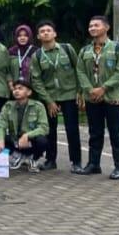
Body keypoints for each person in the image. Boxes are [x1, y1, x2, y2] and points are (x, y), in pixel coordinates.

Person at [75, 16, 119, 180]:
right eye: (90, 26)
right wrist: (89, 89)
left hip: (113, 97)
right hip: (93, 98)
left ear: (106, 28)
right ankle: (93, 164)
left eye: (96, 25)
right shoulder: (85, 51)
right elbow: (80, 71)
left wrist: (103, 88)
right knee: (95, 132)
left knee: (116, 133)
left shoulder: (118, 48)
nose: (92, 28)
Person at [29, 20, 82, 172]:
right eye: (42, 31)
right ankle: (51, 160)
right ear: (38, 36)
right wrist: (48, 100)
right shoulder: (37, 56)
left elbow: (79, 69)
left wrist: (80, 91)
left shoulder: (67, 49)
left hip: (69, 95)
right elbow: (36, 80)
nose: (45, 33)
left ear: (55, 34)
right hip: (50, 96)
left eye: (48, 30)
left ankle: (76, 162)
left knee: (72, 129)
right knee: (50, 130)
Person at [0, 80, 50, 173]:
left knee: (42, 140)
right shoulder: (8, 106)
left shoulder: (38, 106)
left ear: (29, 92)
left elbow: (44, 128)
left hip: (30, 141)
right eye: (15, 89)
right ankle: (17, 156)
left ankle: (34, 159)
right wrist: (1, 140)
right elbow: (0, 124)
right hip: (15, 139)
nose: (16, 91)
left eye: (20, 89)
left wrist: (27, 135)